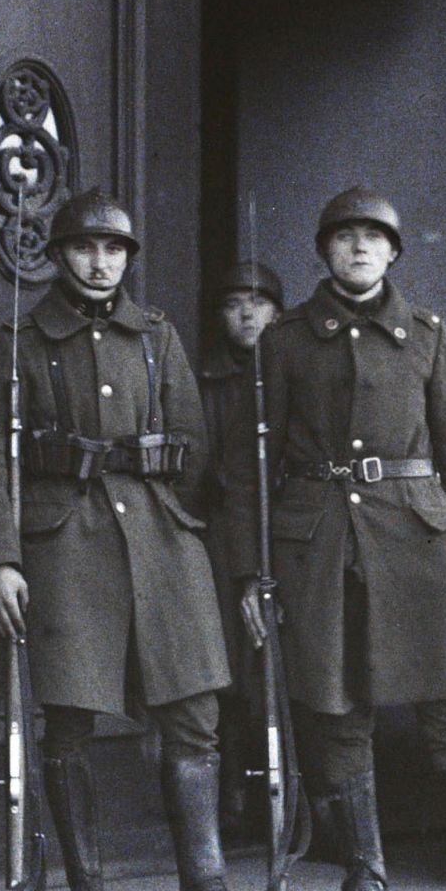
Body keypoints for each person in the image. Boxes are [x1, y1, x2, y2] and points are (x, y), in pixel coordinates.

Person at [227, 185, 446, 891]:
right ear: (325, 250)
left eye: (374, 237)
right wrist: (253, 569)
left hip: (418, 539)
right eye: (345, 236)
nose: (359, 247)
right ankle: (365, 875)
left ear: (393, 253)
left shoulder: (426, 336)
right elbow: (250, 466)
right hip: (321, 544)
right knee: (338, 713)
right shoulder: (284, 341)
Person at [0, 189, 281, 891]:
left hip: (162, 541)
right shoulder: (19, 340)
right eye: (84, 248)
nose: (100, 263)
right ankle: (87, 890)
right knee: (69, 718)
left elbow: (193, 447)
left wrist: (177, 526)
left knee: (195, 714)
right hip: (64, 542)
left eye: (113, 250)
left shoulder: (156, 335)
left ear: (128, 259)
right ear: (58, 256)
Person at [190, 262, 287, 840]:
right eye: (233, 304)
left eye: (259, 302)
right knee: (231, 669)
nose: (247, 314)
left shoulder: (292, 368)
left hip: (292, 533)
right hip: (225, 537)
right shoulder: (203, 382)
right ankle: (233, 797)